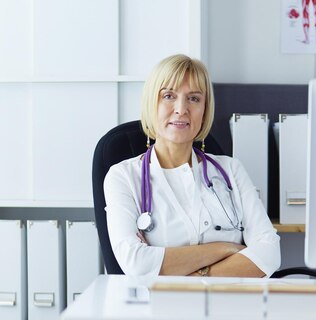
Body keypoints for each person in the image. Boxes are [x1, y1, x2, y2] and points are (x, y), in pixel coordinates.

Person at [104, 54, 280, 280]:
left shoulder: (230, 170)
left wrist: (194, 277)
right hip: (159, 309)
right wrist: (224, 249)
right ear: (152, 103)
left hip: (229, 307)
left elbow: (270, 253)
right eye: (168, 96)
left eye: (194, 99)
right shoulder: (123, 176)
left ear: (205, 109)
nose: (181, 109)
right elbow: (136, 263)